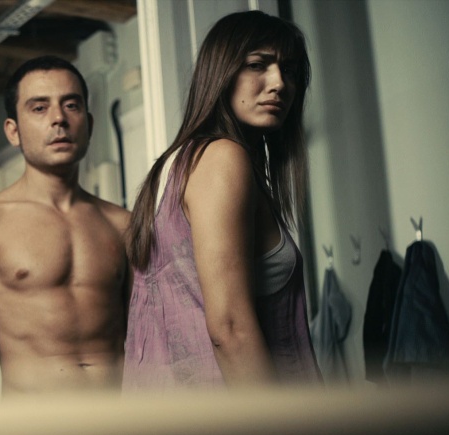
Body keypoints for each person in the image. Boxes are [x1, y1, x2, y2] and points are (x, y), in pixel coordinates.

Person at [124, 10, 322, 391]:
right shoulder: (222, 158)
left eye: (290, 70)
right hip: (251, 416)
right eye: (257, 65)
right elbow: (229, 329)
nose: (279, 83)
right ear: (221, 73)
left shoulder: (177, 165)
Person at [0, 56, 130, 401]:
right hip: (31, 426)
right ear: (13, 131)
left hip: (119, 423)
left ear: (89, 123)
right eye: (39, 108)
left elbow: (148, 344)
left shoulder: (123, 225)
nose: (59, 119)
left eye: (71, 105)